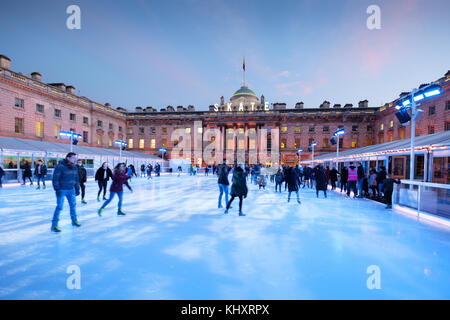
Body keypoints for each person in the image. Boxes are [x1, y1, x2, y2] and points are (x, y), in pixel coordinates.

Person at [51, 152, 81, 232]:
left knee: (73, 206)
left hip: (71, 189)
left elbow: (76, 179)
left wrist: (77, 188)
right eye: (73, 158)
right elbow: (55, 178)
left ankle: (74, 221)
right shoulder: (60, 166)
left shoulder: (74, 167)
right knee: (59, 207)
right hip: (62, 189)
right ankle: (54, 225)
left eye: (75, 158)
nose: (75, 159)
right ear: (68, 158)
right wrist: (57, 189)